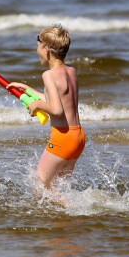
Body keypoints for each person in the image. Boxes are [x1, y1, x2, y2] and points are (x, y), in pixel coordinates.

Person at [6, 24, 85, 189]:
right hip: (78, 136)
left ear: (46, 50)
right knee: (59, 187)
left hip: (62, 138)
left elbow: (56, 110)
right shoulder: (71, 71)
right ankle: (74, 212)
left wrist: (37, 104)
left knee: (39, 185)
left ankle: (75, 211)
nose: (37, 51)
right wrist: (29, 91)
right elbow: (60, 100)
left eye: (37, 47)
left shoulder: (48, 75)